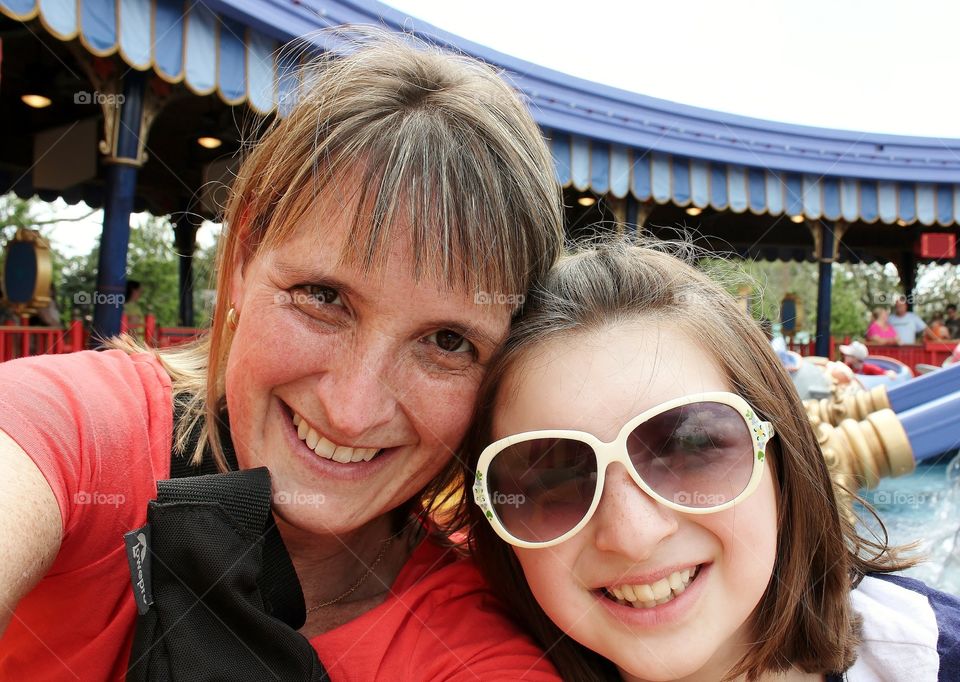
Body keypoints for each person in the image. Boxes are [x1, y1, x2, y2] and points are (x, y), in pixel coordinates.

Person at [0, 31, 565, 680]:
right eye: (323, 296)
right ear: (240, 259)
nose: (351, 411)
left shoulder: (478, 648)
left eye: (446, 342)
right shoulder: (82, 437)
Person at [460, 240, 960, 681]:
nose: (632, 535)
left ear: (780, 462)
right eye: (555, 481)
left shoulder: (932, 656)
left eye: (690, 449)